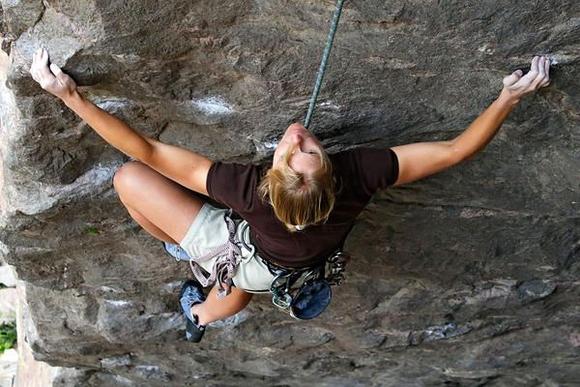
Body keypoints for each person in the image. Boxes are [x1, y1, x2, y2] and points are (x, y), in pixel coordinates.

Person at [30, 48, 551, 342]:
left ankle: (197, 310)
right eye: (303, 149)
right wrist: (508, 96)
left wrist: (70, 96)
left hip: (256, 262)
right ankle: (208, 292)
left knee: (129, 182)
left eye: (292, 153)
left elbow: (146, 152)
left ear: (268, 180)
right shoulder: (359, 175)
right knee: (244, 276)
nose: (297, 137)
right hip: (297, 263)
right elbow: (456, 150)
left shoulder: (248, 192)